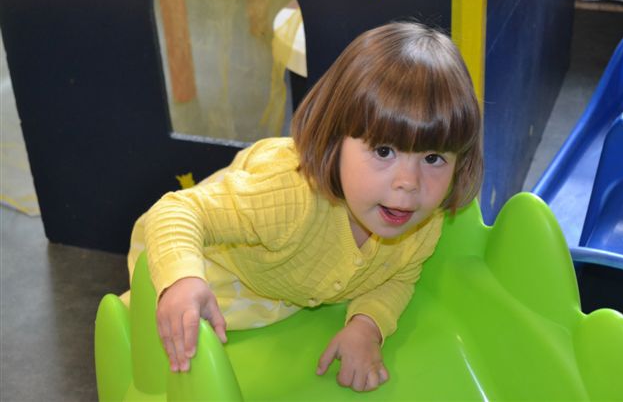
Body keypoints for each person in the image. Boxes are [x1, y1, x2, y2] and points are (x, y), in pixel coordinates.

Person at [127, 21, 483, 392]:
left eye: (433, 158)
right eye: (383, 151)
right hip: (215, 262)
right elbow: (177, 212)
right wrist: (182, 280)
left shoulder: (423, 220)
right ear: (334, 140)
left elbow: (399, 277)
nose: (409, 183)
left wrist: (367, 326)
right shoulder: (288, 198)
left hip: (285, 285)